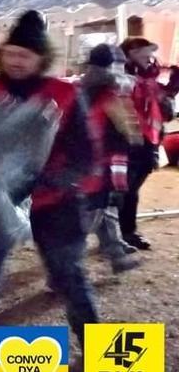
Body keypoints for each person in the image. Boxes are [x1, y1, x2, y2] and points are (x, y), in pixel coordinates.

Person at [0, 11, 99, 372]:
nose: (17, 60)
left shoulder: (64, 94)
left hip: (55, 203)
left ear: (41, 59)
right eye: (11, 53)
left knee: (70, 275)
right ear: (1, 54)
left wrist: (54, 180)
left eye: (26, 55)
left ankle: (101, 355)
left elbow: (85, 153)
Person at [78, 44, 143, 273]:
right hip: (99, 164)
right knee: (90, 216)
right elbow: (126, 128)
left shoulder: (81, 88)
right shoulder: (110, 93)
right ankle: (61, 273)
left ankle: (117, 255)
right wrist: (136, 141)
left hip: (85, 161)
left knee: (106, 208)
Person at [119, 37, 179, 250]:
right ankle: (125, 232)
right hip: (128, 136)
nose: (150, 56)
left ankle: (120, 230)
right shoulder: (122, 74)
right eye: (145, 51)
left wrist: (172, 87)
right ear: (132, 52)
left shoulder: (151, 75)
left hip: (151, 136)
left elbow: (161, 104)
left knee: (133, 184)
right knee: (128, 187)